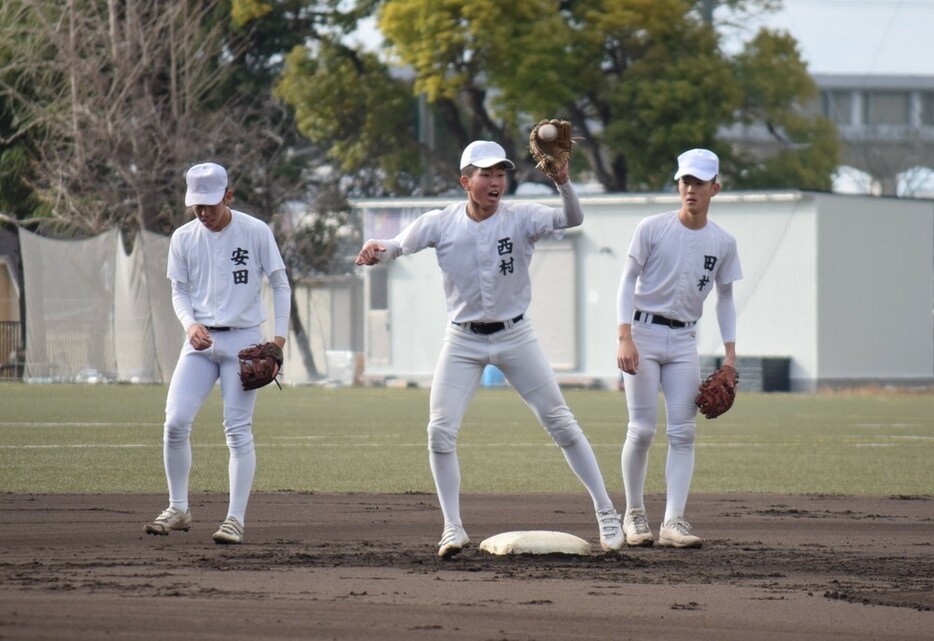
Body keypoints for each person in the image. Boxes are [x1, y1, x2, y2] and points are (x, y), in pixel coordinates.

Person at [355, 140, 624, 557]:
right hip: (462, 339)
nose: (496, 181)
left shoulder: (522, 217)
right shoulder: (440, 222)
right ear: (466, 181)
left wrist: (564, 183)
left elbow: (572, 218)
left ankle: (607, 512)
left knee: (562, 423)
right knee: (439, 432)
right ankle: (452, 528)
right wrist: (379, 250)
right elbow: (398, 245)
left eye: (501, 173)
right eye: (486, 174)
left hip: (516, 336)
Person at [144, 162, 291, 544]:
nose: (204, 212)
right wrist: (189, 324)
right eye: (197, 206)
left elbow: (280, 283)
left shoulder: (255, 231)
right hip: (200, 342)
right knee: (175, 422)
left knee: (237, 431)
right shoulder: (184, 237)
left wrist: (278, 340)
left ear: (228, 195)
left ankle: (234, 519)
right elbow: (178, 290)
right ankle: (179, 508)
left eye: (210, 203)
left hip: (244, 341)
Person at [615, 149, 742, 548]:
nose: (690, 189)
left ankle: (673, 522)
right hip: (644, 334)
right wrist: (624, 335)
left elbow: (724, 298)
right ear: (678, 185)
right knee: (642, 430)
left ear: (714, 189)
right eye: (685, 181)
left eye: (699, 183)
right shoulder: (652, 227)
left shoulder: (723, 241)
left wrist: (730, 356)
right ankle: (633, 515)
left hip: (685, 339)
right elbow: (626, 281)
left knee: (684, 433)